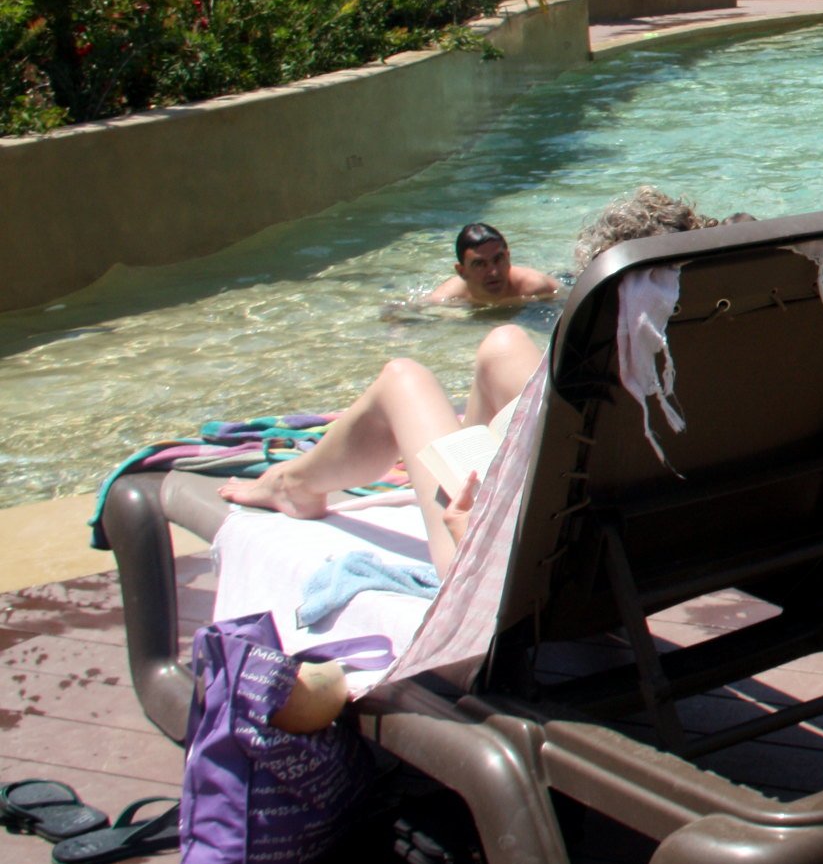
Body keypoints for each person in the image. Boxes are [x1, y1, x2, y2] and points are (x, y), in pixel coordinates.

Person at [221, 189, 723, 575]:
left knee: (404, 376)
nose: (494, 269)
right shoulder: (711, 368)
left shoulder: (599, 376)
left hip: (515, 568)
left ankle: (292, 483)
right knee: (503, 344)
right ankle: (472, 451)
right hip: (658, 549)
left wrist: (465, 527)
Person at [427, 222, 558, 307]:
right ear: (462, 271)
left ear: (508, 258)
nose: (493, 272)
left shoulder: (537, 288)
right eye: (479, 264)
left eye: (498, 259)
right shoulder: (445, 299)